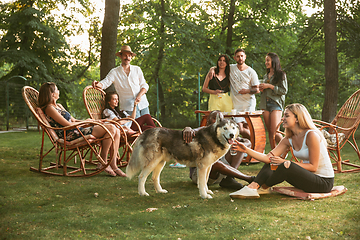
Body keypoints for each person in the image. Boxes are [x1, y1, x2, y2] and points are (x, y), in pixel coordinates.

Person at [229, 103, 334, 199]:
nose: (282, 118)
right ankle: (253, 187)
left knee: (286, 165)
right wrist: (246, 150)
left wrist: (284, 163)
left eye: (286, 116)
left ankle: (262, 187)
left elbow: (313, 167)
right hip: (308, 180)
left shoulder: (311, 135)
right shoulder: (289, 139)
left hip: (323, 182)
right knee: (272, 160)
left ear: (297, 118)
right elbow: (267, 158)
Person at [38, 82, 127, 177]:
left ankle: (113, 165)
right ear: (52, 94)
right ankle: (103, 161)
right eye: (57, 90)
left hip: (77, 129)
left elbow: (74, 120)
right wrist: (86, 123)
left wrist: (90, 121)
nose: (58, 91)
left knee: (115, 130)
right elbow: (67, 125)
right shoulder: (49, 108)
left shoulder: (59, 106)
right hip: (69, 134)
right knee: (111, 128)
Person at [183, 110, 255, 190]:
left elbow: (247, 142)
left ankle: (229, 178)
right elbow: (193, 131)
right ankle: (249, 179)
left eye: (220, 118)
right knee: (212, 161)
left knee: (239, 147)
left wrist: (242, 146)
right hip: (200, 173)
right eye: (214, 118)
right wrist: (188, 128)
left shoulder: (224, 132)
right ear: (208, 120)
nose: (218, 120)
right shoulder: (203, 130)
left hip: (221, 170)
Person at [207, 48, 260, 139]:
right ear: (235, 58)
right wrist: (212, 69)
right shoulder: (231, 68)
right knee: (239, 128)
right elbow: (221, 66)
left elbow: (257, 89)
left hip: (248, 103)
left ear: (245, 57)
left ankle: (253, 146)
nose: (240, 58)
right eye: (238, 56)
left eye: (242, 56)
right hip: (235, 103)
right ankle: (253, 144)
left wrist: (246, 91)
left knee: (247, 127)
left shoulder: (251, 72)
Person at [92, 45, 150, 119]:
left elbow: (144, 85)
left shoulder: (137, 69)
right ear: (121, 56)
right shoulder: (114, 72)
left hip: (143, 104)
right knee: (136, 128)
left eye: (129, 56)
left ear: (131, 57)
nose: (127, 58)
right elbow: (105, 83)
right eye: (125, 55)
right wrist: (97, 84)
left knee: (149, 128)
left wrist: (140, 95)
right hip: (128, 108)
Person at [259, 52, 288, 149]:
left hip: (276, 104)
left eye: (268, 60)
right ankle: (273, 155)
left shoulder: (281, 74)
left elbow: (284, 90)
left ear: (273, 61)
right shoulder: (265, 76)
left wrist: (270, 86)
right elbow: (265, 91)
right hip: (265, 104)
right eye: (265, 60)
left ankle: (289, 147)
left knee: (276, 131)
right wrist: (262, 89)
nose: (266, 62)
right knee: (271, 132)